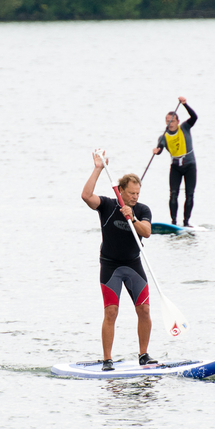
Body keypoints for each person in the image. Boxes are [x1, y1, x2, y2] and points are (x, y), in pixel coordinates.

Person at [81, 149, 159, 371]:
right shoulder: (106, 205)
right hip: (110, 266)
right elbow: (86, 196)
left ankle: (143, 356)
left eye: (138, 193)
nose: (135, 197)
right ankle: (107, 359)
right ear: (121, 191)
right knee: (111, 312)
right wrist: (97, 168)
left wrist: (132, 217)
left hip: (133, 265)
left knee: (144, 310)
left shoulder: (142, 210)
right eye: (131, 193)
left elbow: (147, 232)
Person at [151, 96, 198, 227]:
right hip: (176, 167)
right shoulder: (163, 136)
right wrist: (157, 150)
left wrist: (185, 105)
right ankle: (173, 223)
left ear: (177, 121)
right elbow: (160, 148)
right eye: (167, 121)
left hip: (190, 166)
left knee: (189, 195)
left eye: (172, 120)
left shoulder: (185, 128)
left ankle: (186, 222)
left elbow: (195, 117)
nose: (170, 123)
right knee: (173, 194)